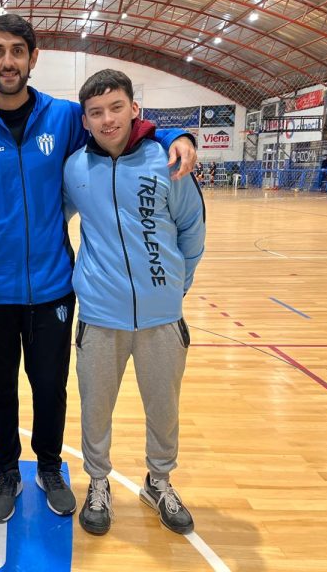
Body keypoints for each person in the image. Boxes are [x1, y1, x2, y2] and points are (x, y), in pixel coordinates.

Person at [0, 13, 197, 523]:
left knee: (50, 388)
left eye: (17, 51)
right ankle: (6, 471)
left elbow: (121, 125)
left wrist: (178, 133)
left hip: (52, 288)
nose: (8, 61)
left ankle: (48, 466)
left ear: (32, 58)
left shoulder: (65, 118)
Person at [63, 69, 205, 536]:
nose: (107, 119)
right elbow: (48, 218)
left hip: (162, 317)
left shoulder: (167, 160)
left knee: (164, 408)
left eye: (116, 108)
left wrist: (174, 288)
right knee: (95, 408)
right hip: (100, 315)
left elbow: (192, 229)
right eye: (96, 112)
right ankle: (98, 482)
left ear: (134, 109)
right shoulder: (74, 169)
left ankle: (158, 481)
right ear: (85, 120)